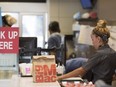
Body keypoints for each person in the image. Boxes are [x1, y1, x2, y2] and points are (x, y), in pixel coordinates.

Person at [56, 19, 116, 85]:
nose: (92, 43)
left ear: (98, 39)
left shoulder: (99, 54)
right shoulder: (113, 52)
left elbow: (81, 70)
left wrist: (60, 78)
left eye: (93, 40)